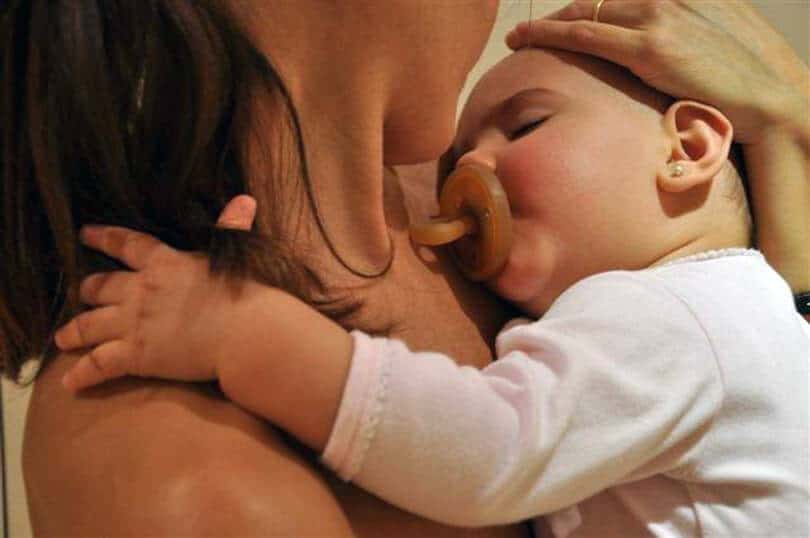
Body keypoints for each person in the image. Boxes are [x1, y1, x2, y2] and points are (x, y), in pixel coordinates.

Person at [1, 0, 807, 535]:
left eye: (523, 126)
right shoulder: (190, 483)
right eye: (479, 146)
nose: (477, 167)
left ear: (691, 146)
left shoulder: (562, 250)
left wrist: (787, 123)